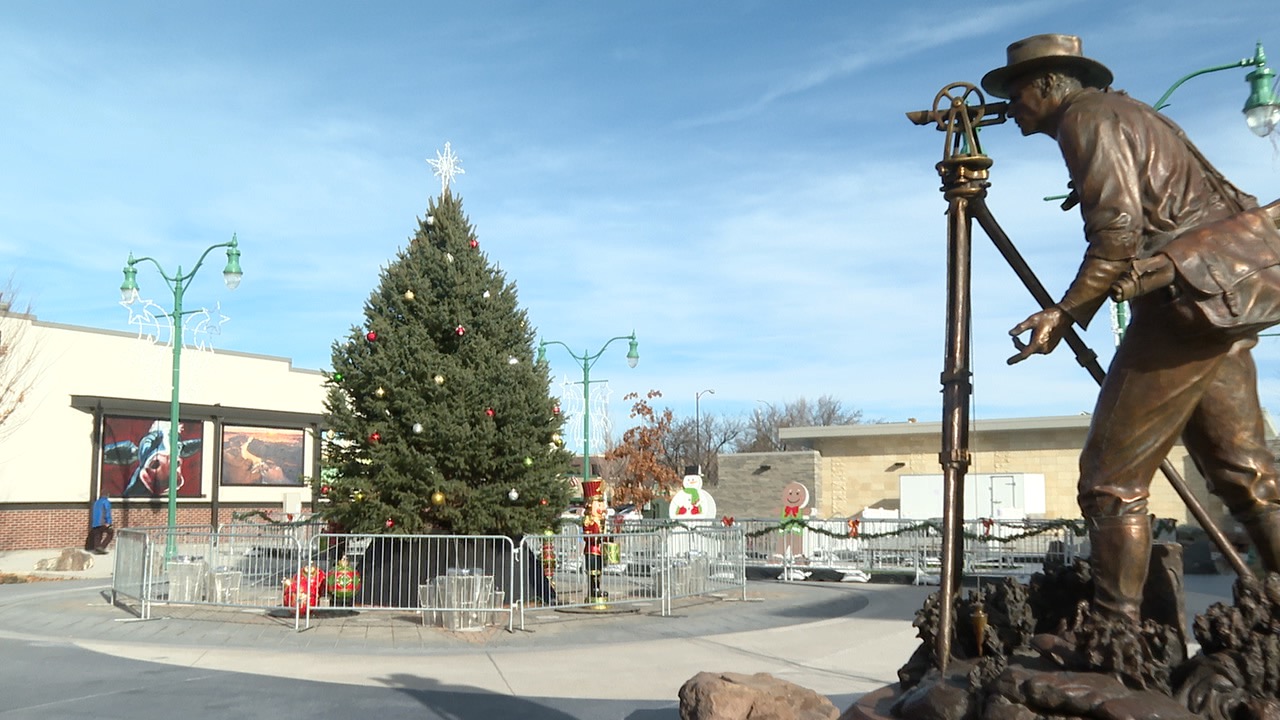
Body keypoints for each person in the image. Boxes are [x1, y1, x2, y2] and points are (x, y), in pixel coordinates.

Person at [984, 34, 1280, 623]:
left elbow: (1117, 232)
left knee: (1109, 480)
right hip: (1213, 301)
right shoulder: (1134, 113)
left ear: (1048, 85)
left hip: (1181, 306)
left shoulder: (1087, 117)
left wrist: (1065, 312)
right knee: (1246, 473)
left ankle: (1114, 630)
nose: (1011, 110)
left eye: (1016, 96)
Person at [581, 479, 608, 602]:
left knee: (599, 571)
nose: (602, 508)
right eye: (599, 504)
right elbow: (588, 537)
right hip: (591, 550)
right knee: (592, 571)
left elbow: (604, 536)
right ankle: (592, 589)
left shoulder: (602, 521)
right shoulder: (589, 521)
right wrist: (597, 537)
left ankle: (598, 588)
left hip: (599, 550)